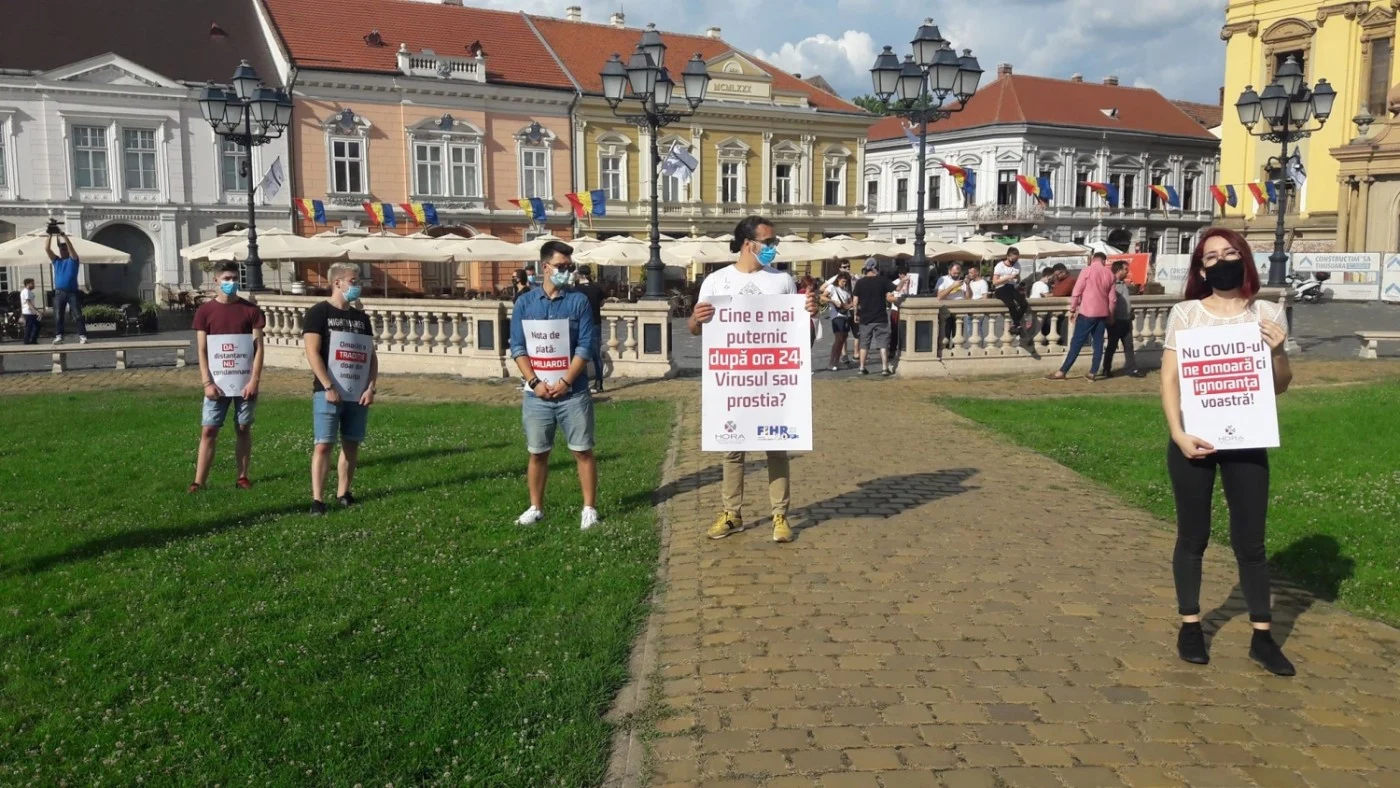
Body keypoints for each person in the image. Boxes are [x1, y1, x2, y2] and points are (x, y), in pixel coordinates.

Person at [1160, 227, 1294, 676]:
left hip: (1247, 437)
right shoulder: (1185, 313)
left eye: (1230, 253)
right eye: (1212, 256)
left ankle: (1262, 635)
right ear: (1201, 267)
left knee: (1251, 543)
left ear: (1245, 260)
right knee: (1192, 536)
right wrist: (1177, 433)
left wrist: (1277, 354)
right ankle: (1191, 625)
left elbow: (1278, 387)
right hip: (1193, 438)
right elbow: (1170, 379)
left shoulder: (1269, 313)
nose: (1222, 262)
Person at [688, 215, 818, 544]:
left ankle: (780, 515)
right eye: (769, 242)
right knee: (733, 449)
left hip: (772, 381)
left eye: (775, 243)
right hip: (732, 381)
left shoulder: (783, 281)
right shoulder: (716, 282)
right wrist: (695, 318)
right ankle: (732, 513)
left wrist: (809, 317)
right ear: (749, 244)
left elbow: (799, 337)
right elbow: (695, 329)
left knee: (777, 448)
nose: (774, 248)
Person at [509, 241, 600, 530]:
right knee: (537, 452)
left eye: (569, 267)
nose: (567, 272)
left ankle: (589, 508)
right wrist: (534, 382)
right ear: (545, 267)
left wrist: (565, 381)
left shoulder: (579, 302)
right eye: (561, 267)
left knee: (582, 450)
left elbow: (585, 346)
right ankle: (535, 506)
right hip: (536, 394)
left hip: (573, 392)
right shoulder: (524, 303)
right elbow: (518, 347)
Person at [303, 262, 378, 515]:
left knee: (351, 443)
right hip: (327, 391)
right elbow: (312, 353)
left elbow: (370, 355)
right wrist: (327, 386)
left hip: (356, 392)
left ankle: (344, 492)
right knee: (323, 444)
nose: (358, 286)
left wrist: (371, 387)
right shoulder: (318, 313)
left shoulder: (361, 318)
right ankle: (318, 499)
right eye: (354, 281)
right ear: (338, 283)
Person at [190, 262, 266, 492]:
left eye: (234, 278)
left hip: (244, 381)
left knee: (243, 427)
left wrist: (254, 380)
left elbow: (258, 348)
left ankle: (242, 476)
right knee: (209, 429)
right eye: (226, 278)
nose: (231, 282)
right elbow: (202, 349)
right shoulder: (205, 311)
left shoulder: (251, 311)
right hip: (217, 382)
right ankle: (199, 481)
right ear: (216, 281)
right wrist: (207, 382)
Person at [1046, 252, 1117, 381]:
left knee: (1076, 343)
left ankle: (1063, 371)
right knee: (1098, 343)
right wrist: (1111, 315)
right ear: (1104, 261)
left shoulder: (1087, 271)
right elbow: (1112, 299)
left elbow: (1076, 292)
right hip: (1102, 313)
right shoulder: (1110, 274)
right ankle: (1093, 372)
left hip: (1087, 312)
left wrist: (1073, 309)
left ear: (1092, 259)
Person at [851, 259, 897, 376]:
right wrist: (904, 281)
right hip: (880, 317)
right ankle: (884, 368)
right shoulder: (882, 280)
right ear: (875, 268)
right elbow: (895, 289)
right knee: (883, 343)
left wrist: (856, 314)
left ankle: (861, 367)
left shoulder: (860, 283)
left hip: (865, 318)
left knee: (864, 343)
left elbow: (855, 301)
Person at [1102, 260, 1143, 378]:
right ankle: (1106, 369)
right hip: (1116, 320)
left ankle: (1132, 369)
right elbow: (1109, 302)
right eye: (1126, 269)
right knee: (1112, 346)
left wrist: (1130, 312)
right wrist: (1111, 317)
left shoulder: (1123, 284)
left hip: (1126, 319)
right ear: (1119, 270)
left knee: (1129, 346)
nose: (1128, 271)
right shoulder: (1112, 284)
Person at [46, 231, 87, 345]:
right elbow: (47, 250)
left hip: (72, 292)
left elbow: (72, 250)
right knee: (58, 315)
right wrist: (50, 235)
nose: (63, 251)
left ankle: (82, 335)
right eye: (61, 250)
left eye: (65, 249)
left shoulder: (73, 260)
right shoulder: (57, 261)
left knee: (77, 314)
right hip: (59, 292)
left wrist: (64, 237)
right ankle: (59, 335)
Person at [574, 264, 607, 392]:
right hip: (595, 323)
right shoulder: (596, 287)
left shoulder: (576, 290)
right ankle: (599, 383)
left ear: (580, 275)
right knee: (596, 355)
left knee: (579, 354)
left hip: (582, 324)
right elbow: (602, 303)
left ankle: (582, 382)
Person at [992, 246, 1031, 334]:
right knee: (1011, 304)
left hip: (1012, 287)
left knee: (1024, 303)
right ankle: (1017, 324)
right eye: (1013, 259)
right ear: (1008, 256)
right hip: (1001, 288)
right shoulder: (1000, 266)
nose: (1014, 261)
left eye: (1016, 259)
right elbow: (995, 282)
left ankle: (1015, 324)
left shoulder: (1017, 265)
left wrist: (1017, 279)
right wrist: (1008, 277)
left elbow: (1018, 280)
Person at [825, 271, 854, 370]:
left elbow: (851, 303)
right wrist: (833, 301)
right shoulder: (832, 288)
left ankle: (836, 361)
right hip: (836, 316)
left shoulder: (846, 291)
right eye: (843, 281)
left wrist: (849, 305)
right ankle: (831, 362)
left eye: (846, 282)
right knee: (838, 338)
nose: (844, 283)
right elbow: (822, 297)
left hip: (845, 316)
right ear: (838, 280)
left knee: (843, 338)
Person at [935, 263, 965, 347]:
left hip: (959, 311)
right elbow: (939, 296)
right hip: (946, 311)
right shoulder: (943, 279)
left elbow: (968, 297)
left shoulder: (962, 280)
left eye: (958, 273)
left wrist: (968, 285)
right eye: (954, 273)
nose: (956, 275)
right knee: (945, 334)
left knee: (958, 335)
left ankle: (957, 353)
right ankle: (945, 351)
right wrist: (952, 286)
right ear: (949, 271)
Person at [888, 263, 911, 361]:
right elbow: (889, 296)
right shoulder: (895, 282)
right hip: (896, 309)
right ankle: (892, 350)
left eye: (905, 273)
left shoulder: (912, 282)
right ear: (899, 275)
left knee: (906, 330)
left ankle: (904, 349)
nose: (903, 275)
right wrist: (897, 300)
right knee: (894, 330)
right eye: (902, 274)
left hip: (907, 309)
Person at [19, 278, 41, 344]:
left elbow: (31, 302)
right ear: (28, 284)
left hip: (31, 312)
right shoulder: (26, 291)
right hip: (28, 312)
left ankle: (33, 340)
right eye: (32, 283)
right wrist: (36, 311)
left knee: (37, 325)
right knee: (29, 327)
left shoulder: (29, 292)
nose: (34, 285)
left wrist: (37, 310)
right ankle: (27, 341)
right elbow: (28, 302)